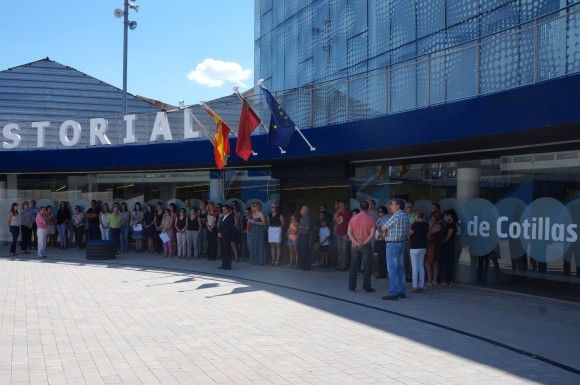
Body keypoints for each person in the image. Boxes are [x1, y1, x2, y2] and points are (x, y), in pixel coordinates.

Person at [381, 198, 410, 300]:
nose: (390, 207)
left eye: (392, 205)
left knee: (392, 269)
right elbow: (408, 231)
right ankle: (402, 291)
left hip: (392, 244)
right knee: (400, 269)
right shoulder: (405, 216)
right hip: (402, 243)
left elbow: (384, 227)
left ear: (398, 206)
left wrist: (384, 232)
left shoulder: (396, 216)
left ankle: (393, 293)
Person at [347, 201, 376, 292]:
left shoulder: (353, 218)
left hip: (354, 245)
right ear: (368, 208)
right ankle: (366, 287)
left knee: (353, 266)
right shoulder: (370, 219)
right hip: (365, 245)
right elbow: (371, 235)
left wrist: (355, 242)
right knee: (367, 267)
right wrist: (363, 243)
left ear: (360, 208)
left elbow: (349, 232)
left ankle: (352, 287)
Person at [409, 210, 428, 292]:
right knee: (421, 266)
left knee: (414, 266)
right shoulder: (426, 224)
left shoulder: (414, 224)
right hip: (423, 246)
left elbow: (409, 234)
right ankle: (421, 285)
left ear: (416, 216)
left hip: (414, 246)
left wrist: (412, 225)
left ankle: (414, 286)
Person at [439, 209, 458, 287]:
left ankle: (448, 280)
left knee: (448, 263)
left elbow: (448, 236)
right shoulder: (447, 224)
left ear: (450, 216)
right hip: (446, 246)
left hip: (449, 246)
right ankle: (445, 280)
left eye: (445, 216)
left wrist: (442, 242)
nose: (444, 217)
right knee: (445, 263)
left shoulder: (452, 224)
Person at [425, 211, 444, 288]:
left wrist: (431, 225)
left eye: (432, 217)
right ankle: (434, 281)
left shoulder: (437, 225)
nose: (431, 218)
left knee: (428, 263)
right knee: (435, 263)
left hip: (432, 246)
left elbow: (428, 233)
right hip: (436, 245)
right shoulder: (440, 224)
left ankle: (430, 281)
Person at [333, 200, 352, 271]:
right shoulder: (338, 213)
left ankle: (344, 266)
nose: (341, 206)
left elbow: (350, 223)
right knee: (339, 250)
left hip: (345, 234)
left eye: (342, 205)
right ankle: (339, 265)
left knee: (344, 250)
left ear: (345, 205)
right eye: (340, 205)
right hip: (338, 233)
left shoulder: (348, 213)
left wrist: (348, 233)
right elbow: (335, 221)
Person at [218, 204, 235, 270]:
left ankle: (228, 265)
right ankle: (223, 264)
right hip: (222, 236)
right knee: (223, 250)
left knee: (227, 250)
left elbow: (229, 228)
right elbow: (220, 225)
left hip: (227, 236)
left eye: (225, 209)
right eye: (223, 209)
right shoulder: (224, 216)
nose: (223, 210)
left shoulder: (231, 216)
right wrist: (219, 232)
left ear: (228, 210)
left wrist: (222, 233)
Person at [374, 206, 389, 279]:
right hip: (377, 240)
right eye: (378, 211)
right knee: (377, 257)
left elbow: (385, 230)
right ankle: (379, 272)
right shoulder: (380, 218)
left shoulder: (386, 218)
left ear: (384, 212)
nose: (379, 213)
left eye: (380, 211)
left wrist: (379, 231)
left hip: (382, 240)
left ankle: (382, 273)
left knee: (381, 257)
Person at [298, 205, 311, 270]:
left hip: (305, 235)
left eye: (302, 209)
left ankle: (306, 266)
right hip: (300, 235)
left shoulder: (307, 217)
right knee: (301, 250)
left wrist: (300, 226)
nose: (301, 210)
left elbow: (308, 228)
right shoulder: (301, 218)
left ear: (306, 210)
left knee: (305, 251)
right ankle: (302, 265)